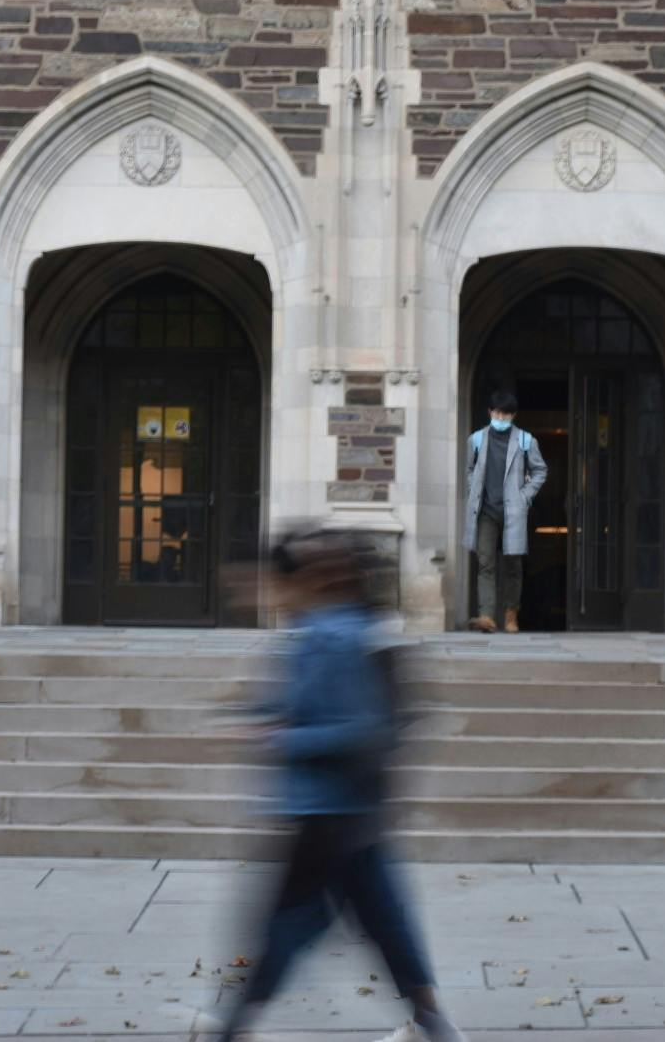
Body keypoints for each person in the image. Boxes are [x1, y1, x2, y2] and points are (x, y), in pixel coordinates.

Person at [215, 525, 462, 1042]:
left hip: (326, 811)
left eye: (274, 582)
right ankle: (433, 1022)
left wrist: (281, 737)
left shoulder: (330, 638)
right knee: (382, 920)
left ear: (309, 581)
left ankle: (232, 1027)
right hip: (351, 810)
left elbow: (360, 728)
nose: (267, 593)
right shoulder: (338, 631)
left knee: (285, 924)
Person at [462, 390, 547, 634]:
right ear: (490, 412)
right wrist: (474, 489)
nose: (501, 418)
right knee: (485, 563)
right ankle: (487, 615)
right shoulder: (476, 439)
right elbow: (469, 469)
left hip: (513, 511)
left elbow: (540, 470)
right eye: (497, 413)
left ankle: (511, 616)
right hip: (486, 510)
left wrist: (524, 496)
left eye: (506, 414)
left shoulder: (526, 441)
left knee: (513, 565)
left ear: (513, 415)